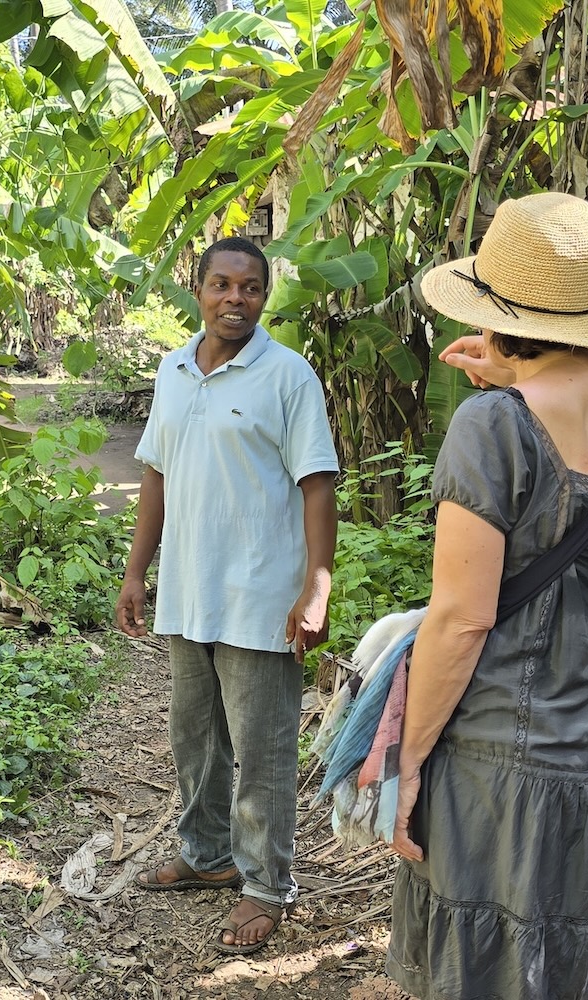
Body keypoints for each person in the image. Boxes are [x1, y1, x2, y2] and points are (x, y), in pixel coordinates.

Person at [385, 192, 588, 999]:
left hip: (502, 758)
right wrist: (517, 375)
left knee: (494, 964)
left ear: (496, 312)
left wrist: (407, 758)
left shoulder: (493, 427)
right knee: (585, 956)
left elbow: (462, 620)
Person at [115, 236, 338, 955]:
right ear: (198, 290)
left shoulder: (288, 376)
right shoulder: (175, 369)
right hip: (189, 588)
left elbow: (317, 486)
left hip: (262, 595)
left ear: (264, 297)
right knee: (195, 737)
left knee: (263, 748)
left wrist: (316, 588)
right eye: (220, 284)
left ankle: (267, 885)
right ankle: (207, 855)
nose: (233, 299)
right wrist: (135, 572)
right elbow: (155, 474)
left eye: (248, 288)